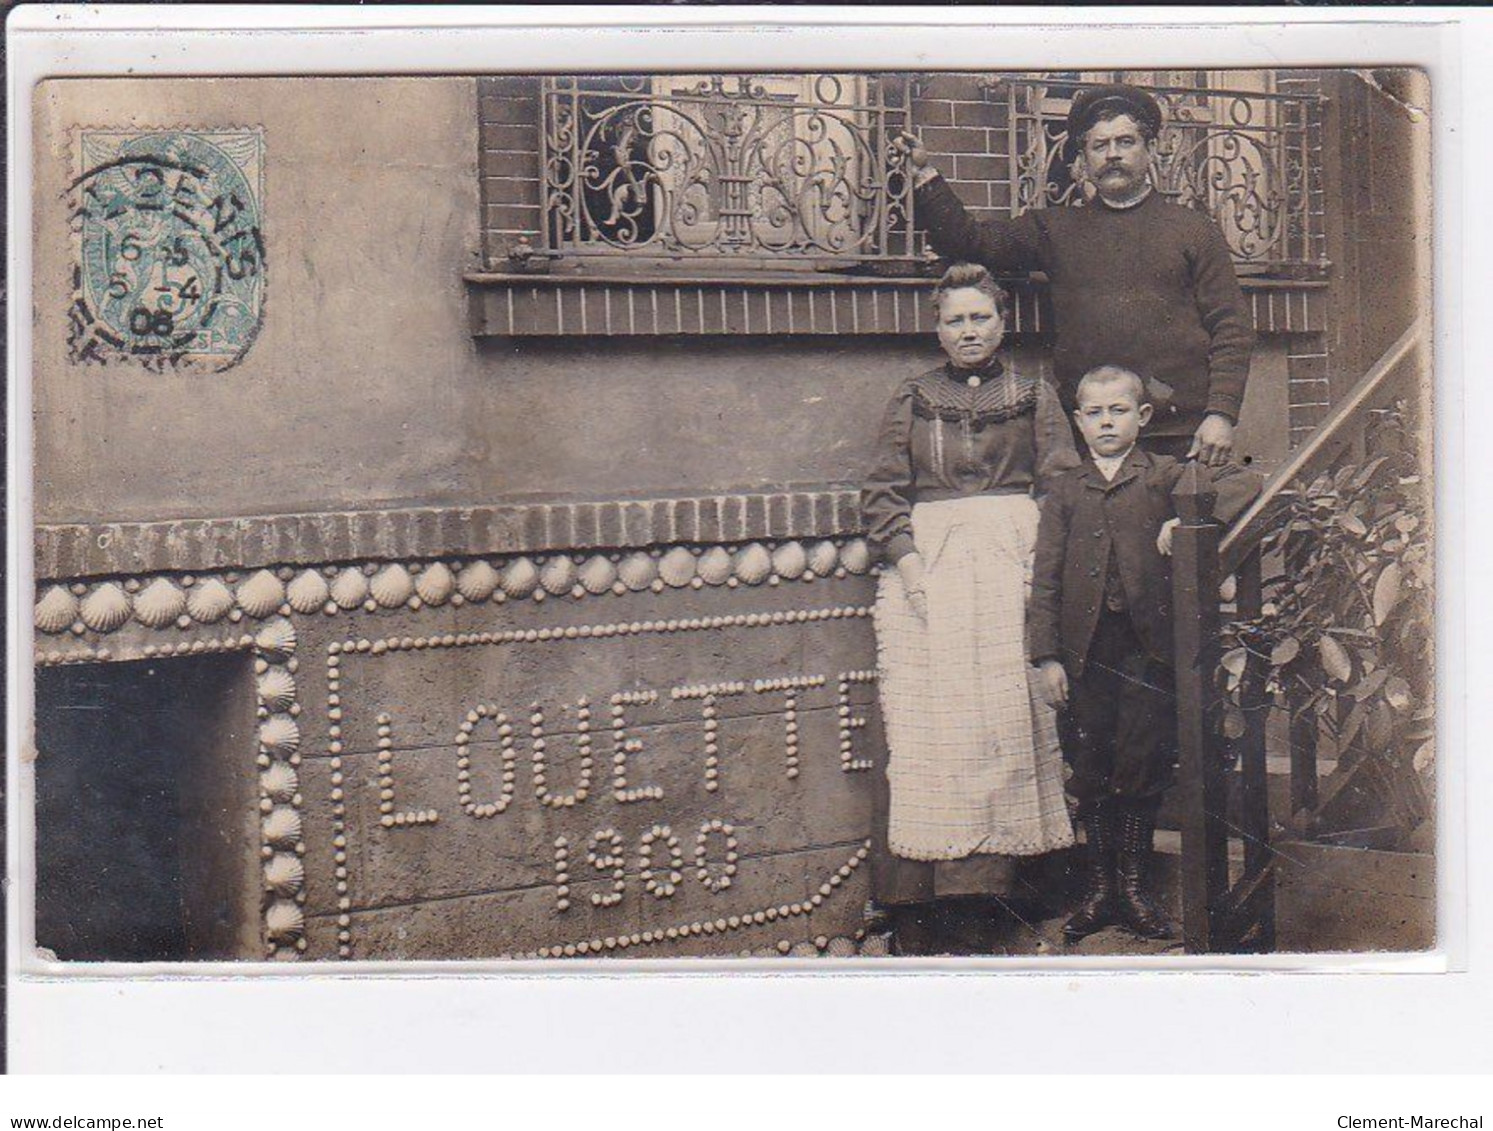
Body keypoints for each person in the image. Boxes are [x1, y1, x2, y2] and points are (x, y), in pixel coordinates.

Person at [862, 262, 1079, 951]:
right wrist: (909, 565)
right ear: (937, 328)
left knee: (1012, 720)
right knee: (938, 725)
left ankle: (1016, 900)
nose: (967, 331)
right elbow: (881, 495)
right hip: (933, 574)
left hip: (1011, 567)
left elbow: (1060, 487)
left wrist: (1034, 568)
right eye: (953, 319)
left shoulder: (1033, 395)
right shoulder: (913, 397)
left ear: (1001, 321)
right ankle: (933, 908)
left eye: (979, 316)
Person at [895, 83, 1255, 465]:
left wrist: (1221, 413)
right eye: (1099, 146)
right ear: (1083, 159)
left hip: (1180, 433)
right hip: (1091, 437)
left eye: (1125, 142)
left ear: (1150, 151)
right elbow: (972, 241)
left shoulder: (1194, 230)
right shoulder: (1056, 229)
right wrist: (925, 172)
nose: (1113, 154)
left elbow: (1231, 329)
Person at [1028, 365, 1261, 942]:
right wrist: (1046, 657)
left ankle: (1133, 888)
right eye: (1095, 413)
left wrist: (1188, 518)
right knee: (1091, 767)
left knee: (1140, 764)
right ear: (1078, 421)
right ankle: (1101, 888)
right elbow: (1047, 579)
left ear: (1142, 417)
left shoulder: (1163, 476)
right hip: (1084, 655)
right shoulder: (1063, 489)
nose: (1107, 423)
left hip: (1145, 652)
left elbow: (1243, 481)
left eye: (1118, 411)